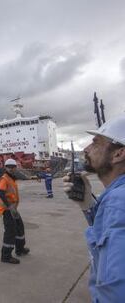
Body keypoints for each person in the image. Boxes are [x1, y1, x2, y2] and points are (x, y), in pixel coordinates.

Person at [63, 113, 125, 302]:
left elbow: (116, 293)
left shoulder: (118, 203)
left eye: (96, 142)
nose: (86, 148)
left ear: (118, 154)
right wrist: (88, 205)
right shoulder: (116, 198)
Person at [0, 158, 30, 264]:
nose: (11, 169)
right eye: (9, 167)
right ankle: (6, 256)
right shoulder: (5, 179)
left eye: (13, 167)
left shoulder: (12, 179)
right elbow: (1, 193)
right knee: (10, 232)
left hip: (13, 209)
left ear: (15, 168)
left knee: (20, 228)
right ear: (6, 168)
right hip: (7, 210)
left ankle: (20, 249)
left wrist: (13, 208)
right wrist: (9, 206)